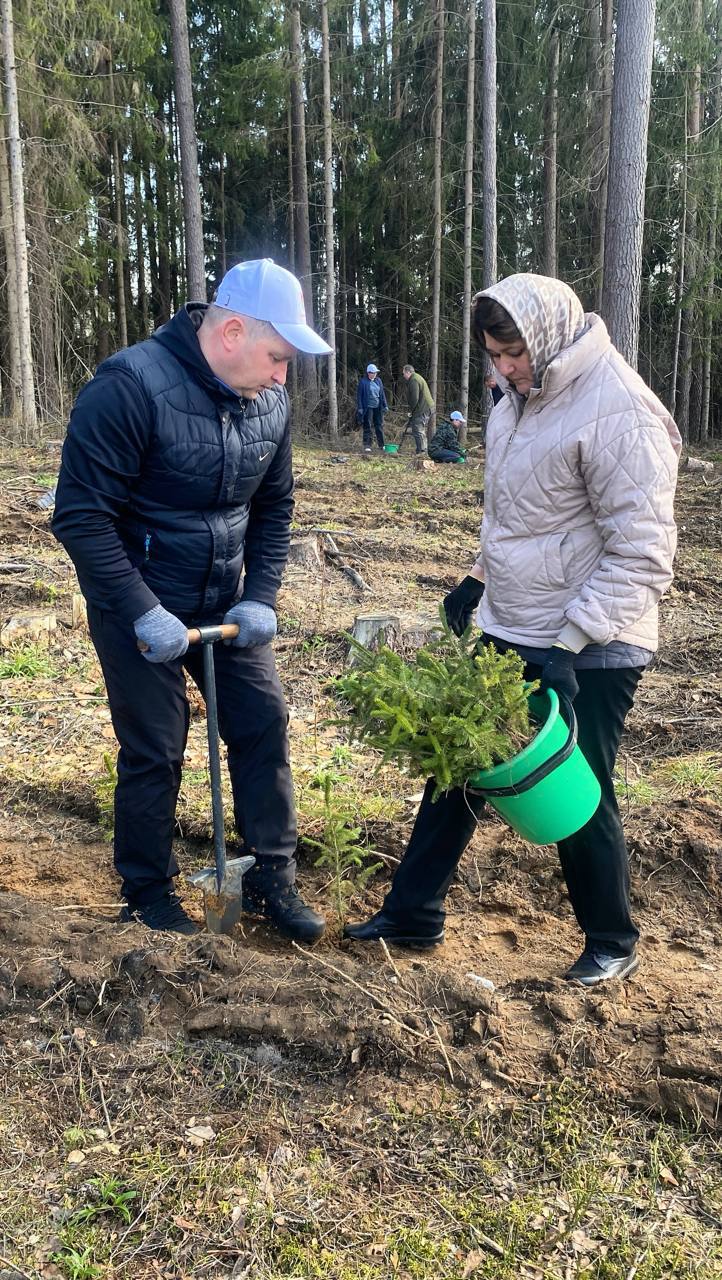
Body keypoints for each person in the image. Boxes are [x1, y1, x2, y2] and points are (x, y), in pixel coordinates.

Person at [346, 272, 681, 986]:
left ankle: (613, 938)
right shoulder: (515, 403)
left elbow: (644, 553)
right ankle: (413, 913)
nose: (504, 369)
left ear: (550, 336)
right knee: (459, 765)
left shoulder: (619, 409)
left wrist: (572, 642)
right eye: (494, 356)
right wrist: (479, 576)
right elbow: (519, 515)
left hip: (594, 641)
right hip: (515, 620)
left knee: (575, 781)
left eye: (514, 354)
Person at [53, 258, 332, 941]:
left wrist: (260, 595)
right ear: (231, 331)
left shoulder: (270, 402)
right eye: (276, 357)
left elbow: (275, 505)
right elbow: (81, 517)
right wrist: (143, 610)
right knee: (155, 746)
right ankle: (147, 894)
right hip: (136, 601)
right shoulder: (128, 387)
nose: (281, 375)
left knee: (263, 724)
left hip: (223, 600)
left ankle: (272, 877)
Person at [402, 364, 435, 454]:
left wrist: (411, 411)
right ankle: (421, 450)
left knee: (418, 429)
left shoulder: (414, 380)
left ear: (408, 372)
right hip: (425, 407)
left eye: (404, 373)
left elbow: (414, 398)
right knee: (419, 429)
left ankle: (422, 451)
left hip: (423, 408)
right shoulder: (416, 377)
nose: (403, 375)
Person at [356, 363, 388, 452]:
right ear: (368, 373)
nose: (375, 374)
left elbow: (382, 394)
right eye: (373, 373)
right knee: (368, 426)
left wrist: (385, 405)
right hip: (368, 407)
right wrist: (360, 408)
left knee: (379, 425)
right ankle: (367, 445)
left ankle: (381, 445)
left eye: (375, 372)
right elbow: (359, 396)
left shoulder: (379, 381)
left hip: (378, 407)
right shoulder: (363, 382)